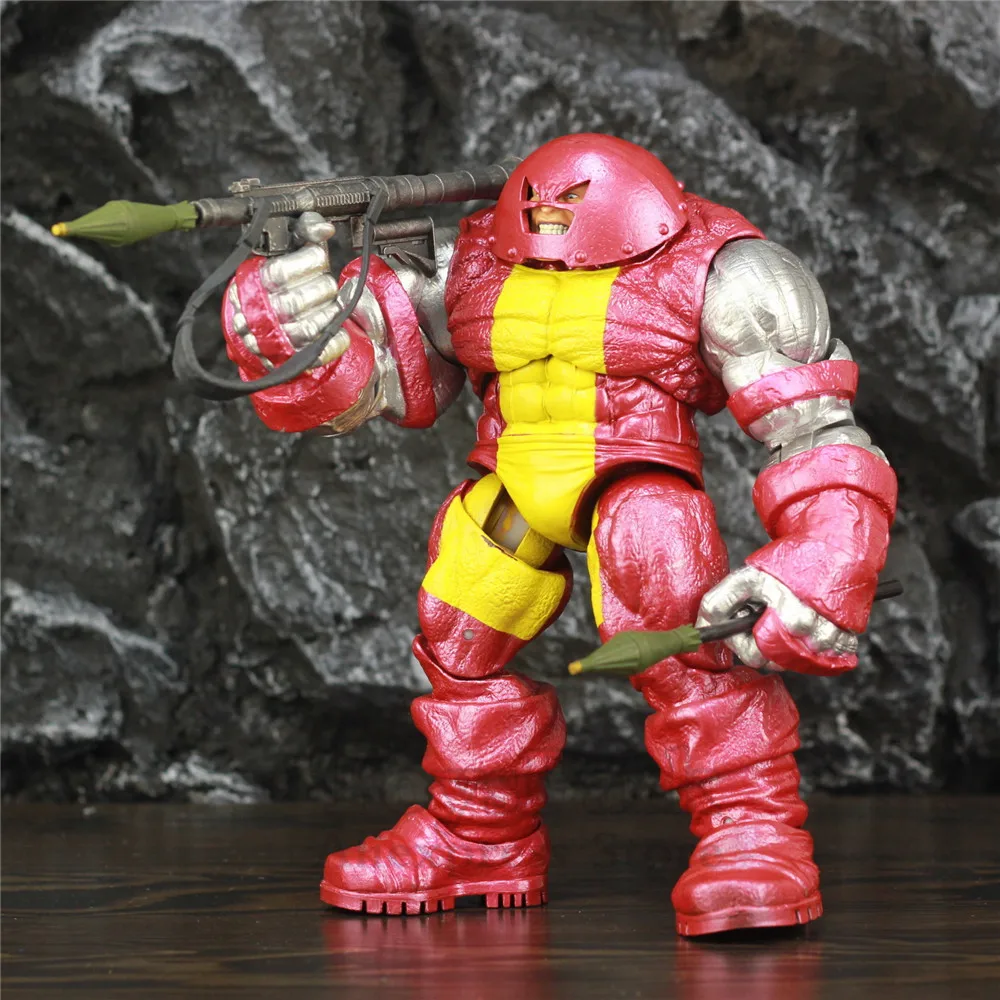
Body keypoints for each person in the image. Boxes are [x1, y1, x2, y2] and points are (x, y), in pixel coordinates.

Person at [221, 133, 896, 936]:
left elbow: (815, 429)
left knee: (674, 614)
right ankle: (480, 835)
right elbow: (367, 386)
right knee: (459, 623)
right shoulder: (470, 261)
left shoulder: (721, 269)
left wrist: (821, 560)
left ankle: (750, 830)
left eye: (569, 211)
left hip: (638, 481)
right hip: (514, 484)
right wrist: (291, 331)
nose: (552, 226)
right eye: (538, 215)